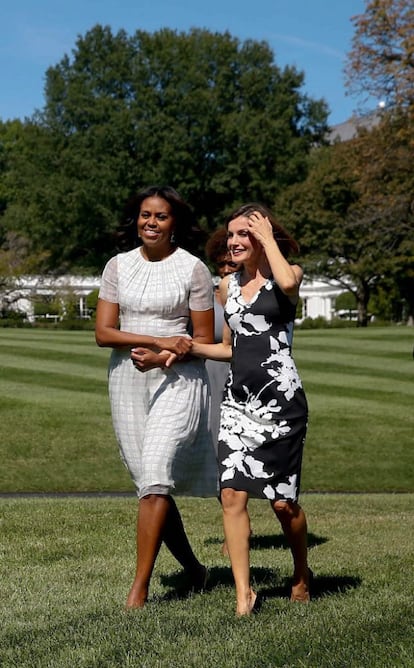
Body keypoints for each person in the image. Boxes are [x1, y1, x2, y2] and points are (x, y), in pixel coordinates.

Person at [95, 185, 217, 609]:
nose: (152, 222)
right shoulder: (117, 266)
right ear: (137, 219)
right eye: (145, 215)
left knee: (157, 474)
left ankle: (139, 589)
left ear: (174, 223)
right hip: (127, 381)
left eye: (161, 216)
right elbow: (104, 333)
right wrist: (157, 338)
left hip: (180, 382)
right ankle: (196, 571)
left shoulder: (193, 269)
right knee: (151, 483)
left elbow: (204, 339)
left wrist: (166, 354)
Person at [191, 203, 311, 616]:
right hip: (238, 405)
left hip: (282, 407)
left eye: (245, 233)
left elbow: (286, 284)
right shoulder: (226, 287)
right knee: (231, 494)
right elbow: (229, 347)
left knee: (283, 505)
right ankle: (245, 595)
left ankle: (301, 572)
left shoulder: (288, 274)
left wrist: (266, 239)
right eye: (232, 234)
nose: (234, 241)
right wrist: (188, 347)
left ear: (263, 237)